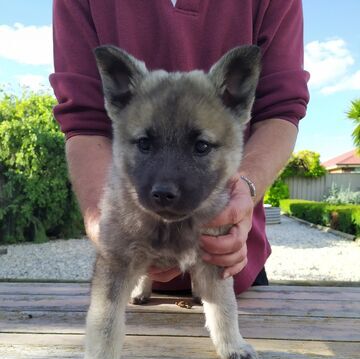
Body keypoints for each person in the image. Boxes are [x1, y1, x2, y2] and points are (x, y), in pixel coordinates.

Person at [50, 0, 309, 295]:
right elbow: (84, 122)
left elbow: (280, 110)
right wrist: (105, 226)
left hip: (230, 265)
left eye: (200, 145)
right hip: (132, 270)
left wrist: (244, 191)